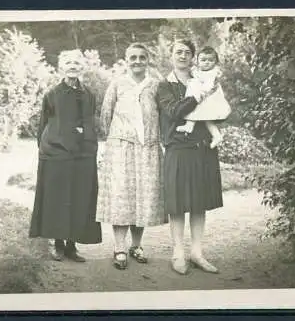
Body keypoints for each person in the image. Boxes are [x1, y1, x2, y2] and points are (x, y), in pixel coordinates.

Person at [155, 39, 224, 275]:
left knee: (199, 202)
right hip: (178, 147)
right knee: (177, 203)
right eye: (178, 52)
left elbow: (219, 109)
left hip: (202, 146)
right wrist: (198, 97)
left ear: (193, 57)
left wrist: (210, 96)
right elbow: (174, 112)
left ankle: (197, 252)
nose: (183, 56)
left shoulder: (204, 79)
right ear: (171, 56)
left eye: (187, 52)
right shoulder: (165, 86)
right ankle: (178, 252)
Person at [97, 42, 166, 270]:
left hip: (147, 148)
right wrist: (114, 142)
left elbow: (163, 115)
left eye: (141, 57)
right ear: (127, 60)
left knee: (143, 197)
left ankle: (136, 245)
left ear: (148, 60)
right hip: (121, 148)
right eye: (133, 57)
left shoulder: (155, 85)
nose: (137, 61)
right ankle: (119, 247)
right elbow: (106, 114)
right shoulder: (117, 83)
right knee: (121, 195)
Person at [29, 49, 102, 262]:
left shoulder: (89, 94)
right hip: (57, 154)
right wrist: (46, 149)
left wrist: (86, 140)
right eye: (68, 62)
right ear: (62, 67)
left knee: (79, 198)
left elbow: (89, 122)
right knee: (57, 199)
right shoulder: (52, 94)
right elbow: (44, 124)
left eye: (76, 62)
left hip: (83, 154)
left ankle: (72, 245)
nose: (73, 66)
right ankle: (57, 244)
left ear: (82, 67)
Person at [175, 46, 231, 149]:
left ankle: (211, 134)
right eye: (203, 60)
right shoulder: (199, 71)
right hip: (203, 99)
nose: (207, 62)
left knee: (200, 114)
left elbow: (209, 86)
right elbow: (195, 74)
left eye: (211, 60)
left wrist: (201, 93)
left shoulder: (212, 73)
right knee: (203, 116)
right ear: (197, 61)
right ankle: (193, 126)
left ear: (216, 62)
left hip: (207, 98)